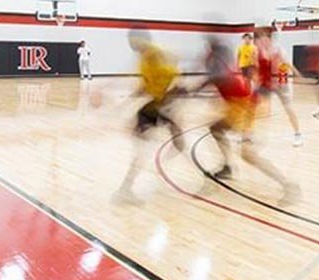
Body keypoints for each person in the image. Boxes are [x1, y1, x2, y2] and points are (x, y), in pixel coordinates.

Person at [192, 36, 300, 203]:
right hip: (237, 108)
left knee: (249, 155)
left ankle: (289, 185)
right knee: (216, 128)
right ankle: (228, 167)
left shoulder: (219, 69)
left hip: (246, 109)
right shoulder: (221, 65)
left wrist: (191, 88)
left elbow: (215, 79)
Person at [116, 30, 184, 201]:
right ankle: (126, 189)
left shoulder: (155, 55)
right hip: (155, 108)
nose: (130, 43)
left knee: (179, 142)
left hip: (161, 107)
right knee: (143, 150)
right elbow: (147, 86)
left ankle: (157, 172)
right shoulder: (144, 60)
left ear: (141, 40)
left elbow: (173, 79)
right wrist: (126, 102)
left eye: (132, 40)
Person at [253, 26, 303, 147]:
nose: (261, 40)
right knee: (252, 106)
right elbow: (257, 66)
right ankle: (247, 134)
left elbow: (287, 63)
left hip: (281, 83)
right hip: (265, 83)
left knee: (288, 108)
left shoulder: (278, 49)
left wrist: (297, 74)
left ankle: (298, 134)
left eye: (264, 37)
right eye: (260, 38)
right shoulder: (257, 50)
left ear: (269, 38)